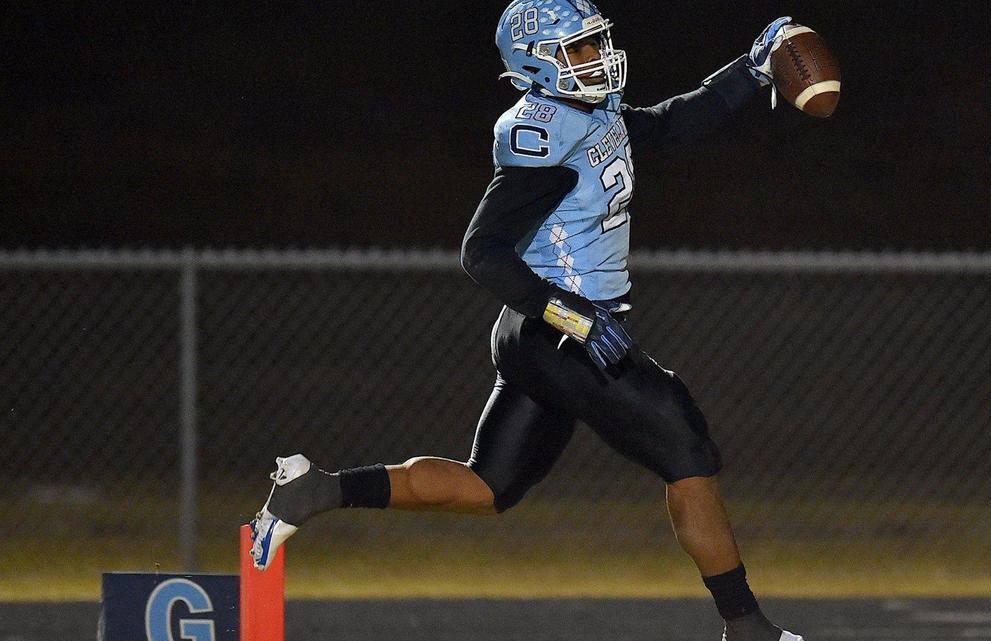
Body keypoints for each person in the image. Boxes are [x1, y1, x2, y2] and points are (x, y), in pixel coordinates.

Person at [250, 2, 804, 639]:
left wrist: (752, 70)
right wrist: (576, 320)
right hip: (559, 332)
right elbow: (481, 251)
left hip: (538, 334)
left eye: (597, 44)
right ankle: (747, 627)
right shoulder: (540, 132)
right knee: (685, 447)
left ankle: (313, 491)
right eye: (580, 50)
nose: (598, 58)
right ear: (536, 64)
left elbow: (669, 124)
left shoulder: (591, 117)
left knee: (488, 487)